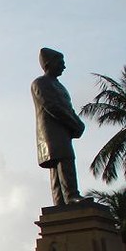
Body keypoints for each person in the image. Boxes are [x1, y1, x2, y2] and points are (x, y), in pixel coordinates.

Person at [32, 47, 87, 205]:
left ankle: (60, 201)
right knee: (64, 160)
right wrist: (74, 123)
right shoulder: (40, 83)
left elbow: (68, 108)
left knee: (59, 165)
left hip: (62, 130)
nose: (64, 66)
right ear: (49, 64)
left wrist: (76, 123)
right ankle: (71, 196)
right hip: (51, 132)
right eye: (60, 63)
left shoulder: (59, 86)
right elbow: (52, 106)